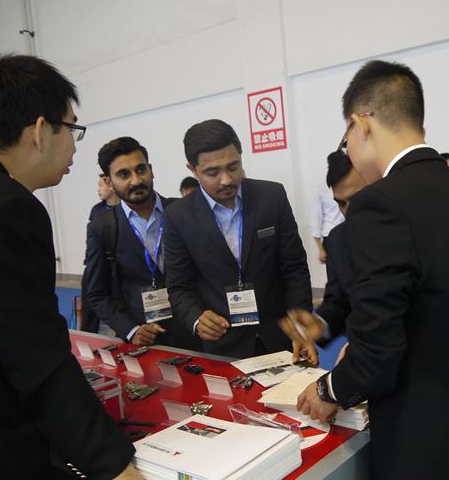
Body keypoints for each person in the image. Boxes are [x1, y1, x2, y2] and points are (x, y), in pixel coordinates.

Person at [294, 60, 449, 479]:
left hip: (434, 445)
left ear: (361, 124)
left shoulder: (380, 205)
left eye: (347, 138)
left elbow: (376, 354)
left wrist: (328, 388)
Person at [0, 54, 139, 479]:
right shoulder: (8, 210)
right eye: (72, 128)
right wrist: (115, 467)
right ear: (40, 130)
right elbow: (36, 360)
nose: (75, 145)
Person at [163, 119, 316, 360]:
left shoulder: (272, 197)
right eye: (212, 172)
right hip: (224, 344)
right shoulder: (178, 216)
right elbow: (179, 286)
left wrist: (299, 326)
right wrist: (196, 318)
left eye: (233, 166)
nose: (226, 180)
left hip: (281, 337)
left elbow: (294, 268)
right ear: (192, 169)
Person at [84, 136, 198, 350]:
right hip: (145, 341)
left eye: (141, 169)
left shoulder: (183, 212)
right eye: (123, 174)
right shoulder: (102, 228)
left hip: (196, 332)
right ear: (109, 182)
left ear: (151, 170)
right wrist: (131, 330)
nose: (136, 180)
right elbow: (97, 294)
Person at [311, 150, 366, 343]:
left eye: (357, 199)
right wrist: (318, 325)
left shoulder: (405, 229)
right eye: (341, 203)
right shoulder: (337, 240)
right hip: (362, 349)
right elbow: (338, 302)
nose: (350, 211)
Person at [309, 182, 343, 264]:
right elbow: (315, 218)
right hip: (331, 237)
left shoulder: (348, 185)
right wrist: (320, 249)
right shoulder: (322, 189)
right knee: (335, 269)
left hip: (348, 234)